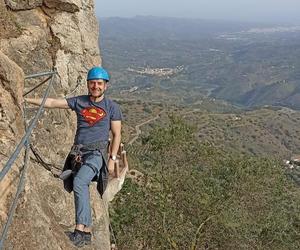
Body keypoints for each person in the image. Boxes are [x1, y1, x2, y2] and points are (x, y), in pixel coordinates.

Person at [24, 66, 122, 247]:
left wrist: (112, 159)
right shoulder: (80, 102)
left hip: (97, 154)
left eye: (99, 83)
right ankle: (86, 232)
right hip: (79, 154)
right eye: (92, 83)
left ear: (105, 86)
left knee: (79, 182)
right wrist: (25, 99)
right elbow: (53, 103)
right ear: (88, 84)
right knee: (81, 185)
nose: (96, 86)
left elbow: (117, 135)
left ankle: (79, 230)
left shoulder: (112, 107)